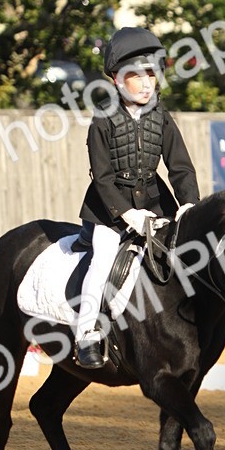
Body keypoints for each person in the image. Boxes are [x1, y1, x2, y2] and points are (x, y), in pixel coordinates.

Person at [74, 26, 200, 369]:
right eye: (137, 76)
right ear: (116, 79)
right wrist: (127, 215)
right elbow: (101, 178)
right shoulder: (102, 121)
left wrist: (188, 203)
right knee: (102, 259)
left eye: (152, 75)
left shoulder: (162, 116)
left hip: (157, 203)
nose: (147, 84)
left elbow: (181, 168)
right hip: (108, 209)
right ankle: (86, 334)